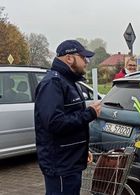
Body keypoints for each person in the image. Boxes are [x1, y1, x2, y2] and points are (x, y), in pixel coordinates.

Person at [34, 40, 101, 195]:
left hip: (70, 161)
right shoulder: (53, 83)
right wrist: (89, 114)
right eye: (84, 58)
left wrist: (82, 150)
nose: (86, 62)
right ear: (69, 58)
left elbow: (70, 121)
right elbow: (55, 123)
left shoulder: (69, 82)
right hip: (61, 165)